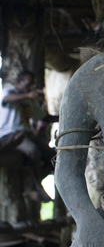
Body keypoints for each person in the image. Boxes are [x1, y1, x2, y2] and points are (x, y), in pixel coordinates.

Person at [0, 70, 54, 202]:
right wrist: (29, 95)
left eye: (32, 85)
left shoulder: (29, 100)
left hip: (28, 134)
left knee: (54, 157)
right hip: (10, 134)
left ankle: (33, 184)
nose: (30, 87)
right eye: (28, 84)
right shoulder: (8, 92)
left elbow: (43, 117)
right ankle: (37, 187)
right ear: (19, 82)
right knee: (33, 151)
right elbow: (7, 100)